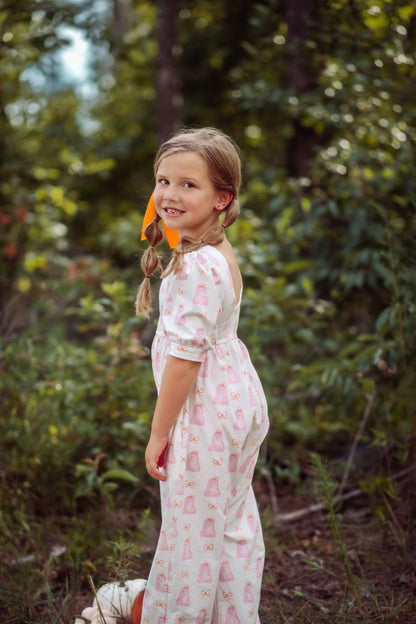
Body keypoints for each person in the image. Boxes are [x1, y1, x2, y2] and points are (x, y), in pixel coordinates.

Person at [136, 127, 269, 624]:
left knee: (190, 539)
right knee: (231, 526)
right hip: (238, 405)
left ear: (222, 198)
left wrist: (158, 432)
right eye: (163, 180)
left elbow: (187, 359)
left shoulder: (194, 265)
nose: (170, 194)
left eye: (189, 185)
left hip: (205, 416)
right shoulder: (217, 253)